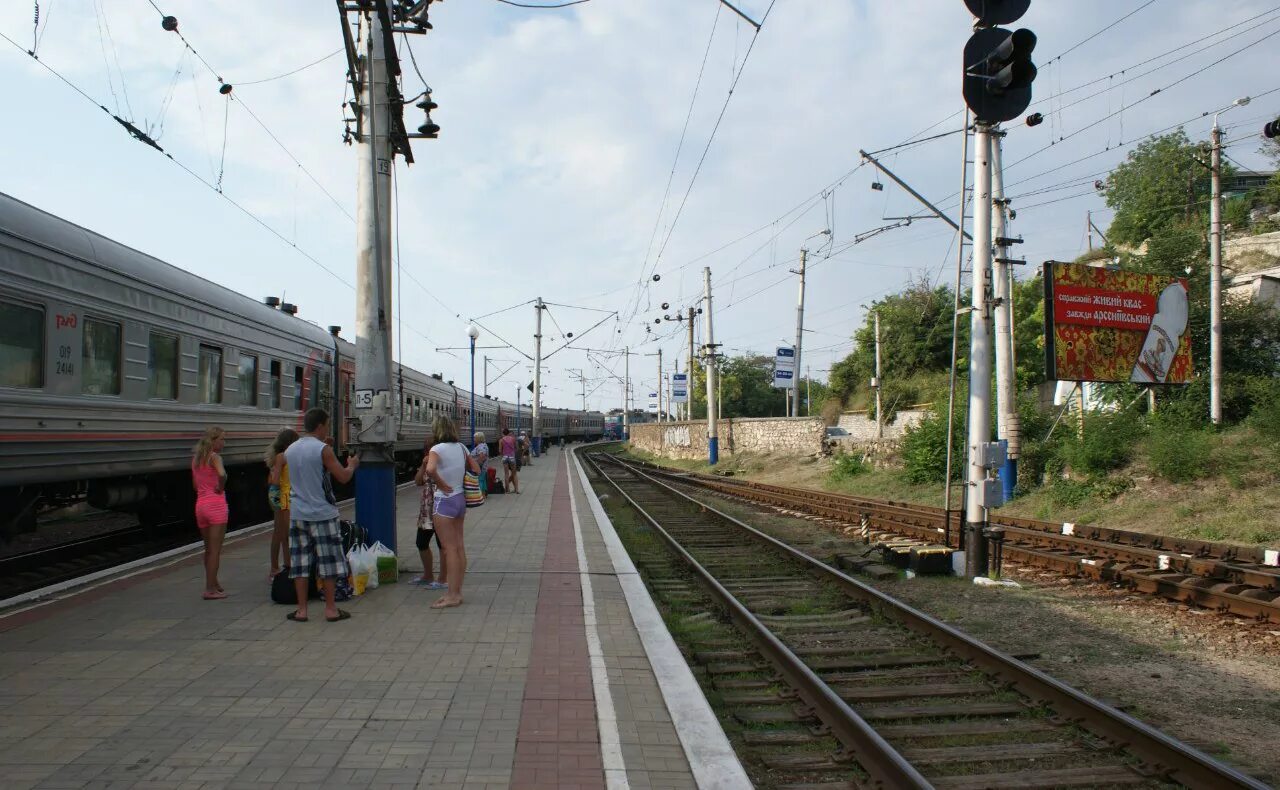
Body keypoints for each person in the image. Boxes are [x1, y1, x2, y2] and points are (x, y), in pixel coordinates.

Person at [284, 408, 359, 623]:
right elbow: (343, 477)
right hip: (322, 514)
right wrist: (352, 465)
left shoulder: (290, 449)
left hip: (298, 513)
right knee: (328, 563)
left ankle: (301, 611)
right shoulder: (323, 450)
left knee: (299, 563)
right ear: (320, 426)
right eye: (326, 425)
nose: (328, 428)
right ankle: (330, 609)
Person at [423, 415, 480, 609]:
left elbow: (430, 470)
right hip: (460, 500)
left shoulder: (436, 449)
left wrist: (441, 484)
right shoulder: (462, 448)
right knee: (459, 547)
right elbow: (477, 469)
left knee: (449, 549)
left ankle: (452, 595)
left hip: (444, 502)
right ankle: (457, 592)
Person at [192, 427, 229, 599]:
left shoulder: (196, 459)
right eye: (221, 439)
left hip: (200, 506)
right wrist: (220, 487)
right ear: (213, 441)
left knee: (208, 550)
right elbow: (222, 475)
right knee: (215, 550)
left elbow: (195, 485)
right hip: (216, 506)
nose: (223, 442)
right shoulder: (215, 457)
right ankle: (209, 589)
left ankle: (213, 582)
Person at [265, 428, 299, 580]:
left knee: (280, 533)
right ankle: (283, 567)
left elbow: (272, 480)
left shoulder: (280, 456)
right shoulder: (285, 456)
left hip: (279, 495)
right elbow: (275, 480)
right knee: (284, 534)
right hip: (284, 496)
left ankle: (278, 567)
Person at [412, 441, 447, 590]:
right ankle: (428, 575)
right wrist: (422, 465)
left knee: (442, 544)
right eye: (427, 450)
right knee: (421, 542)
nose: (428, 452)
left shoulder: (444, 463)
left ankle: (443, 578)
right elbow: (418, 481)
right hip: (426, 509)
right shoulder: (427, 462)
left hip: (441, 506)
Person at [499, 428, 520, 495]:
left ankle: (507, 490)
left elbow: (500, 451)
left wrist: (503, 455)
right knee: (514, 474)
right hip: (512, 457)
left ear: (503, 433)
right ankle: (516, 490)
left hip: (505, 457)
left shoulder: (501, 440)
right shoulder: (513, 439)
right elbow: (517, 448)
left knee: (506, 474)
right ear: (508, 433)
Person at [471, 432, 489, 496]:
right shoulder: (483, 445)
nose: (474, 439)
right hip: (483, 467)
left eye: (475, 438)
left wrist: (477, 465)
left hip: (480, 467)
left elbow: (482, 456)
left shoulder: (481, 447)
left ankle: (480, 495)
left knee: (480, 481)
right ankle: (483, 494)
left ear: (478, 438)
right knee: (483, 480)